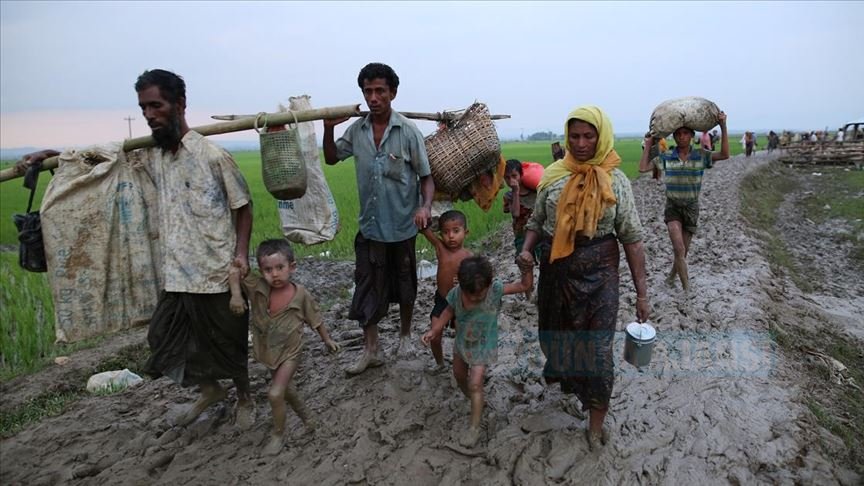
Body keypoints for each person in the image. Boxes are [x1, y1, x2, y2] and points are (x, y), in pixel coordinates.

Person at [16, 69, 255, 427]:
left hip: (216, 271)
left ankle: (246, 399)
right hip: (174, 274)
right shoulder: (149, 156)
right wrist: (52, 156)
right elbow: (95, 160)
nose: (148, 114)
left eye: (155, 105)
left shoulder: (212, 156)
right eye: (143, 107)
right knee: (163, 341)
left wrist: (239, 256)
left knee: (228, 342)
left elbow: (243, 206)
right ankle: (210, 390)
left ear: (180, 104)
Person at [518, 106, 649, 451]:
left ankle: (595, 422)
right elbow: (536, 223)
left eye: (588, 136)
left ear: (601, 136)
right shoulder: (554, 176)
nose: (580, 143)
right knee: (555, 340)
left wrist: (642, 294)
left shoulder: (616, 181)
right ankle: (575, 386)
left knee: (598, 349)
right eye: (574, 136)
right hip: (556, 272)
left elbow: (632, 238)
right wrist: (528, 250)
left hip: (601, 274)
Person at [323, 63, 435, 375]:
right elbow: (332, 158)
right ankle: (372, 349)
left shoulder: (408, 132)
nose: (373, 97)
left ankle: (405, 336)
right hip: (370, 226)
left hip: (402, 226)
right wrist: (328, 128)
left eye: (380, 91)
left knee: (405, 285)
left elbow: (426, 178)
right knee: (367, 287)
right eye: (368, 91)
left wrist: (424, 207)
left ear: (392, 93)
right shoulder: (357, 130)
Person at [228, 239, 340, 455]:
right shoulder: (257, 286)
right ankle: (308, 419)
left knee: (275, 393)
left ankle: (278, 434)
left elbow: (315, 318)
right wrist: (235, 294)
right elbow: (234, 271)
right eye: (268, 270)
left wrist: (327, 340)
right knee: (286, 389)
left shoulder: (300, 294)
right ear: (260, 271)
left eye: (280, 268)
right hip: (268, 350)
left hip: (291, 351)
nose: (275, 274)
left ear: (292, 267)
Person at [421, 255, 533, 448]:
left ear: (489, 286)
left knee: (475, 383)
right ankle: (475, 400)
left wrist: (528, 269)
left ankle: (474, 427)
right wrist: (434, 329)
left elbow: (523, 286)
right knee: (458, 374)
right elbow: (448, 311)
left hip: (482, 345)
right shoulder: (457, 294)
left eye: (478, 295)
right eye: (469, 294)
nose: (473, 298)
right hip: (463, 342)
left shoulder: (495, 290)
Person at [639, 112, 729, 292]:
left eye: (686, 134)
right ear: (674, 136)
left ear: (691, 136)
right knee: (679, 249)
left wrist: (723, 126)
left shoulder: (701, 155)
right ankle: (687, 289)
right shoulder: (666, 157)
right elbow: (642, 168)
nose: (682, 137)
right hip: (672, 207)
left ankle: (672, 276)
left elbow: (725, 154)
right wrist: (649, 145)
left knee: (683, 252)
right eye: (678, 134)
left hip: (691, 207)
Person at [419, 210, 473, 371]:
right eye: (446, 232)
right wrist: (420, 213)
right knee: (435, 334)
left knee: (462, 336)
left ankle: (465, 365)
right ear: (440, 234)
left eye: (456, 231)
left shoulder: (469, 256)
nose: (451, 236)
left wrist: (464, 282)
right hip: (442, 299)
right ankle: (440, 363)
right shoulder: (440, 248)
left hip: (461, 302)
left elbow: (477, 282)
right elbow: (424, 230)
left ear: (466, 232)